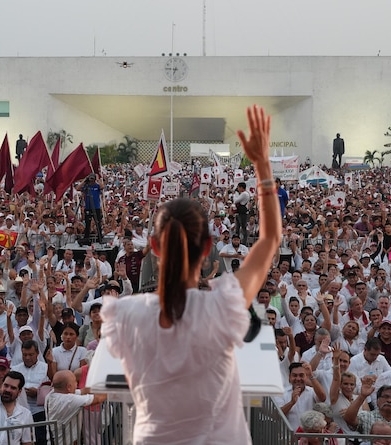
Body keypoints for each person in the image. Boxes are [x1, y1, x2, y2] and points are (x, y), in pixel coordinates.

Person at [100, 105, 282, 444]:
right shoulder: (224, 305)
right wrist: (262, 166)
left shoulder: (123, 314)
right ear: (208, 245)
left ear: (153, 246)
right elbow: (270, 240)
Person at [44, 370, 107, 445]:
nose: (77, 384)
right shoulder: (68, 400)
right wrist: (113, 387)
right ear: (68, 387)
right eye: (75, 381)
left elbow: (83, 391)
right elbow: (98, 399)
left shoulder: (51, 395)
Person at [78, 174, 104, 245]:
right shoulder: (86, 186)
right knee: (87, 223)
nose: (91, 180)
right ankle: (86, 238)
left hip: (96, 207)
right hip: (88, 207)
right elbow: (78, 188)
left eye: (93, 179)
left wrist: (97, 179)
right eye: (91, 179)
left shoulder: (97, 186)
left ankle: (100, 237)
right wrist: (85, 180)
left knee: (97, 223)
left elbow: (102, 187)